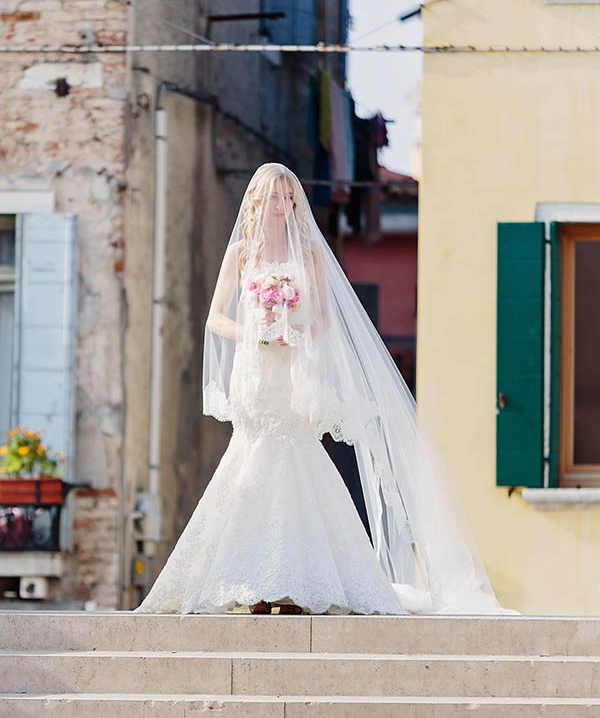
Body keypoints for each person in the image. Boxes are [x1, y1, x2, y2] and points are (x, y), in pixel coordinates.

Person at [135, 163, 511, 616]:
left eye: (289, 199)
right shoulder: (240, 253)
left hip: (293, 373)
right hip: (257, 373)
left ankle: (295, 583)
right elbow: (216, 317)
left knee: (297, 461)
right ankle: (253, 581)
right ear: (257, 202)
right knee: (252, 465)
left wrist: (292, 329)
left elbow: (324, 321)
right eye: (274, 198)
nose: (282, 206)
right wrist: (255, 331)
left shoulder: (311, 252)